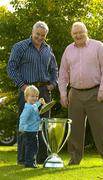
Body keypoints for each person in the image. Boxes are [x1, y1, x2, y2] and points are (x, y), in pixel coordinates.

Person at [58, 22, 103, 167]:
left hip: (96, 92)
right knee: (75, 129)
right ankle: (74, 159)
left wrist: (102, 90)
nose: (78, 35)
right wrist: (63, 94)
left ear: (86, 32)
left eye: (80, 32)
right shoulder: (68, 50)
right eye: (75, 33)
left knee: (101, 128)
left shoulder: (98, 46)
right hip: (75, 93)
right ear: (72, 35)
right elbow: (63, 74)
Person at [7, 21, 58, 165]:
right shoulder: (20, 46)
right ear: (32, 31)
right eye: (38, 34)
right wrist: (23, 86)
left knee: (43, 124)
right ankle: (23, 159)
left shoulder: (48, 49)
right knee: (25, 124)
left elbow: (54, 69)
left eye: (43, 35)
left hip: (44, 91)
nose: (40, 37)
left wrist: (53, 84)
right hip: (27, 91)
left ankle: (42, 158)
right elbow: (11, 68)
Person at [19, 85, 46, 168]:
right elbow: (23, 118)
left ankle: (32, 162)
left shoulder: (33, 105)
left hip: (34, 131)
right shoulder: (28, 108)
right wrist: (22, 128)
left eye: (36, 96)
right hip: (29, 131)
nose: (35, 98)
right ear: (26, 97)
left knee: (34, 147)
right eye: (32, 96)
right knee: (31, 147)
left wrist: (39, 102)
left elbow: (35, 106)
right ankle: (29, 163)